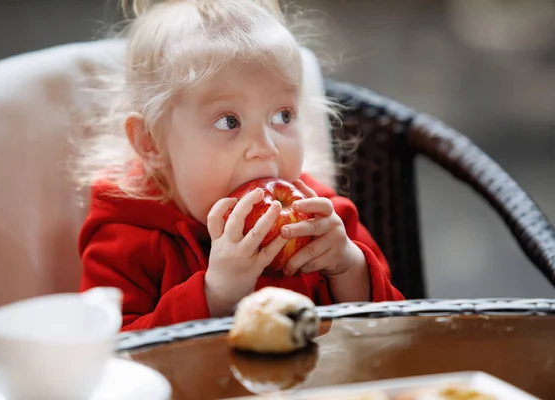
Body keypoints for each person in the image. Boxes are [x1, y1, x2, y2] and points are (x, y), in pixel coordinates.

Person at [75, 0, 404, 332]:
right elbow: (111, 356)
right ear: (151, 143)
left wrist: (348, 269)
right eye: (229, 121)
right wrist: (212, 296)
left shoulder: (322, 220)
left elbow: (397, 334)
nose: (266, 148)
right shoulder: (126, 236)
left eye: (282, 116)